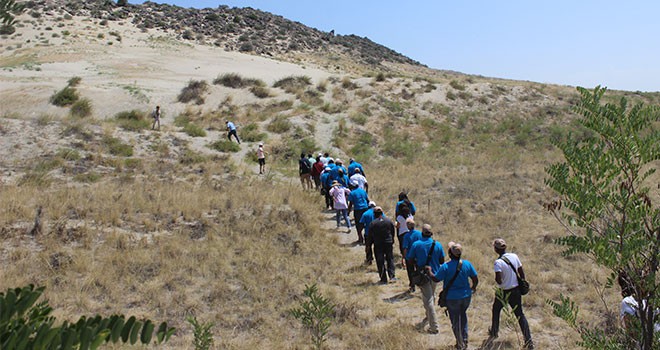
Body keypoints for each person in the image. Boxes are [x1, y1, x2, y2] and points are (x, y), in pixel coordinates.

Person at [430, 242, 478, 350]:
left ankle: (460, 343)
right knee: (463, 316)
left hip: (452, 298)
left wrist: (429, 272)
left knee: (455, 320)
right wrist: (473, 288)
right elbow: (475, 278)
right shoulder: (467, 264)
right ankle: (464, 340)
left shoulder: (446, 266)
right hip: (466, 296)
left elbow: (436, 279)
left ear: (450, 254)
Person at [488, 239, 533, 349]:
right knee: (520, 315)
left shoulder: (498, 263)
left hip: (503, 291)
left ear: (496, 249)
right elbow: (521, 272)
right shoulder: (514, 256)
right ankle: (529, 341)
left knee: (496, 310)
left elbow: (498, 280)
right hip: (516, 291)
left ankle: (494, 332)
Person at [407, 224, 444, 334]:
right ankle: (428, 316)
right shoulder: (437, 245)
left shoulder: (416, 245)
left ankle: (434, 327)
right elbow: (442, 261)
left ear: (422, 233)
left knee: (428, 300)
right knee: (431, 295)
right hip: (436, 275)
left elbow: (409, 259)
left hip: (423, 276)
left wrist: (417, 264)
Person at [369, 207, 396, 284]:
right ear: (382, 213)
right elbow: (392, 231)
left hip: (378, 244)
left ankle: (383, 278)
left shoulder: (373, 223)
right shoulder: (388, 221)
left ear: (374, 214)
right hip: (388, 243)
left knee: (380, 261)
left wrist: (369, 245)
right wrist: (392, 239)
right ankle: (392, 276)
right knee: (390, 259)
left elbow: (370, 236)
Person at [402, 218, 423, 292]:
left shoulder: (407, 236)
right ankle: (421, 284)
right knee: (419, 270)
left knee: (410, 271)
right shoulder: (420, 234)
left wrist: (404, 257)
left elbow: (405, 248)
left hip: (410, 257)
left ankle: (412, 285)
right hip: (419, 256)